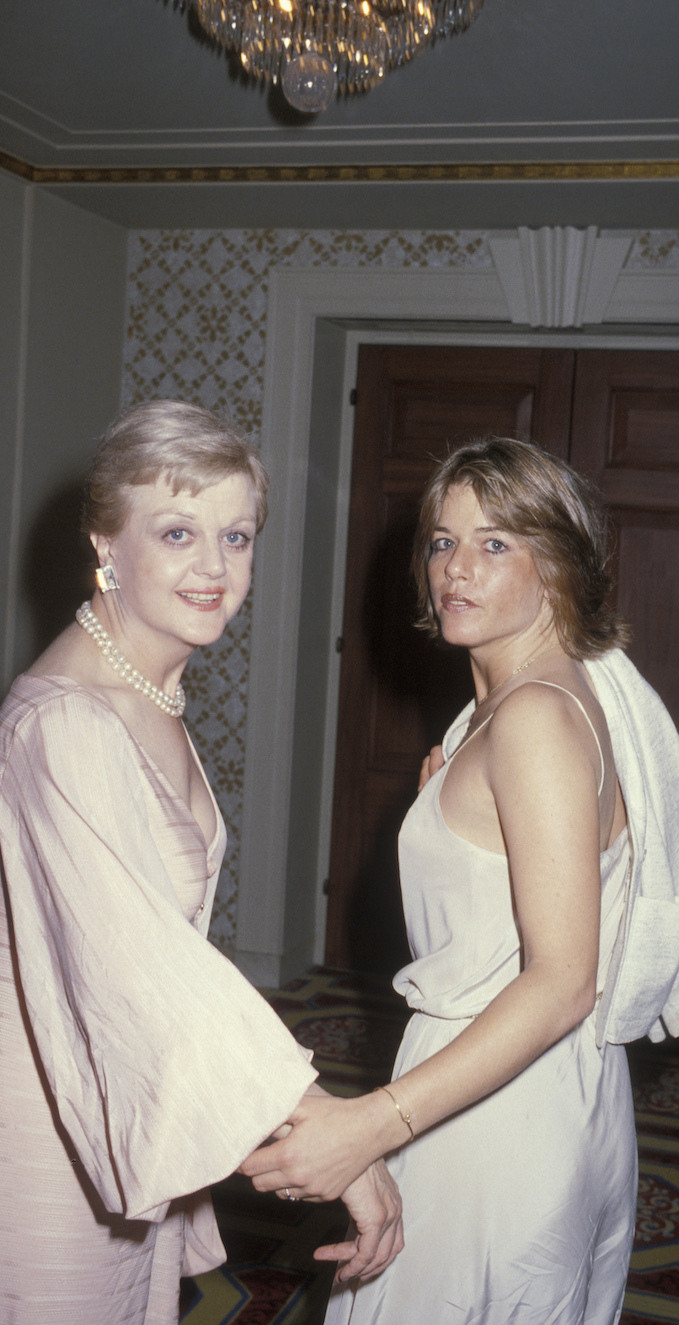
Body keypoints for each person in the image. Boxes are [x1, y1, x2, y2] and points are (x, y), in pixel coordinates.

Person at [240, 436, 679, 1324]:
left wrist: (371, 1124)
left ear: (560, 564)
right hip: (555, 1093)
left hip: (497, 1111)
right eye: (442, 541)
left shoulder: (535, 718)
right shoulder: (540, 698)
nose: (456, 569)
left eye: (496, 543)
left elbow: (561, 982)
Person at [0, 400, 402, 1325]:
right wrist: (342, 1139)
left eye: (237, 535)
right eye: (178, 532)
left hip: (117, 1082)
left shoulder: (143, 685)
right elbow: (153, 971)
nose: (216, 568)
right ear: (106, 542)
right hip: (55, 1129)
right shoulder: (67, 722)